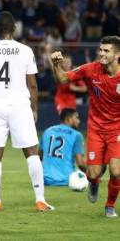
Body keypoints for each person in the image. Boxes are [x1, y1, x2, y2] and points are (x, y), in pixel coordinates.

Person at [0, 11, 54, 212]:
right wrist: (34, 109)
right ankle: (40, 200)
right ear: (14, 28)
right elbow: (33, 85)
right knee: (31, 152)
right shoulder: (26, 51)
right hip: (20, 105)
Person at [51, 35, 120, 218]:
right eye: (101, 50)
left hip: (116, 130)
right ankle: (94, 183)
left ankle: (109, 206)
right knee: (92, 173)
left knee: (116, 171)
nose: (102, 53)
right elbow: (64, 79)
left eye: (107, 51)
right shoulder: (91, 70)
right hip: (96, 129)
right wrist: (56, 64)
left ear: (117, 54)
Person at [39, 108, 86, 186]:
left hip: (45, 180)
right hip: (67, 180)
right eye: (76, 118)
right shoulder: (77, 135)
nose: (79, 121)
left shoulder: (47, 131)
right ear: (68, 119)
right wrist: (92, 175)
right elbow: (80, 163)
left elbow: (40, 157)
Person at [46, 46, 87, 114]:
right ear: (62, 63)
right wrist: (47, 52)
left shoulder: (74, 74)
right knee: (64, 117)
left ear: (71, 63)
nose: (67, 64)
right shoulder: (59, 72)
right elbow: (52, 64)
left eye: (68, 62)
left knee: (71, 120)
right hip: (60, 99)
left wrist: (75, 88)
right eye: (65, 62)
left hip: (71, 100)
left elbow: (84, 88)